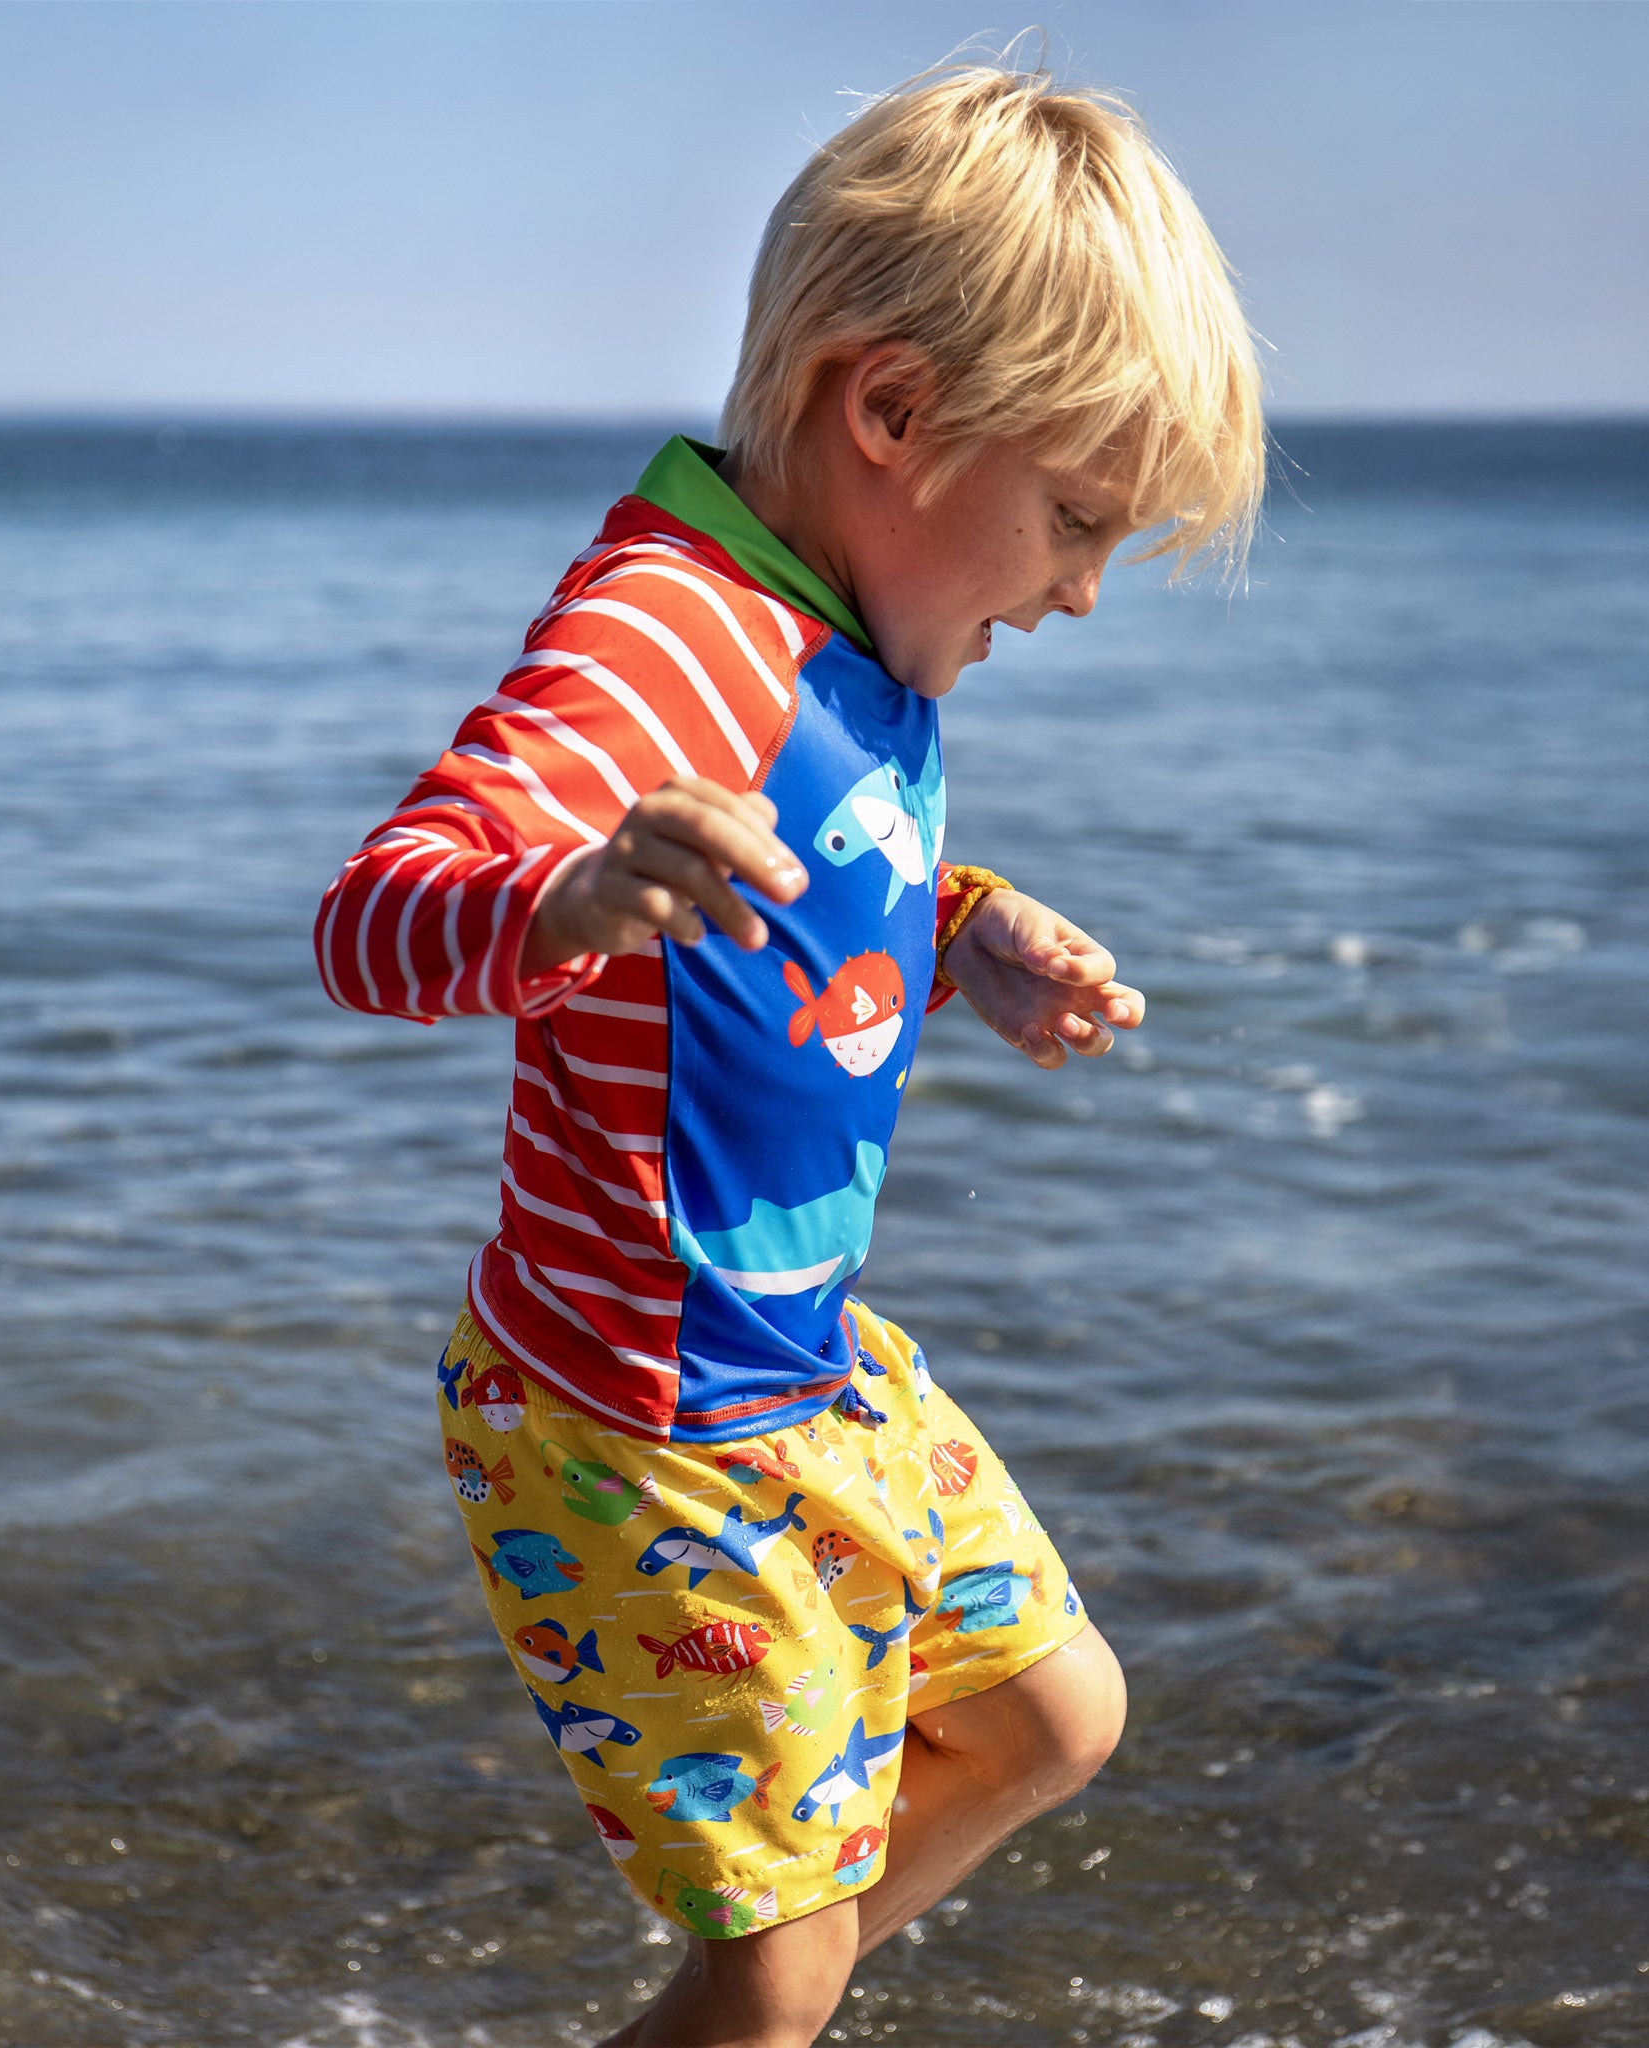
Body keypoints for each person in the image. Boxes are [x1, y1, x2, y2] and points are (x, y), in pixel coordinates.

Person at [315, 60, 1261, 2048]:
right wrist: (562, 899)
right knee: (777, 1960)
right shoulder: (668, 630)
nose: (1083, 589)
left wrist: (967, 921)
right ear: (893, 412)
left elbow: (807, 877)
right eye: (1077, 518)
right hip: (628, 1416)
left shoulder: (842, 625)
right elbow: (378, 907)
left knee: (1049, 1718)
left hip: (803, 1365)